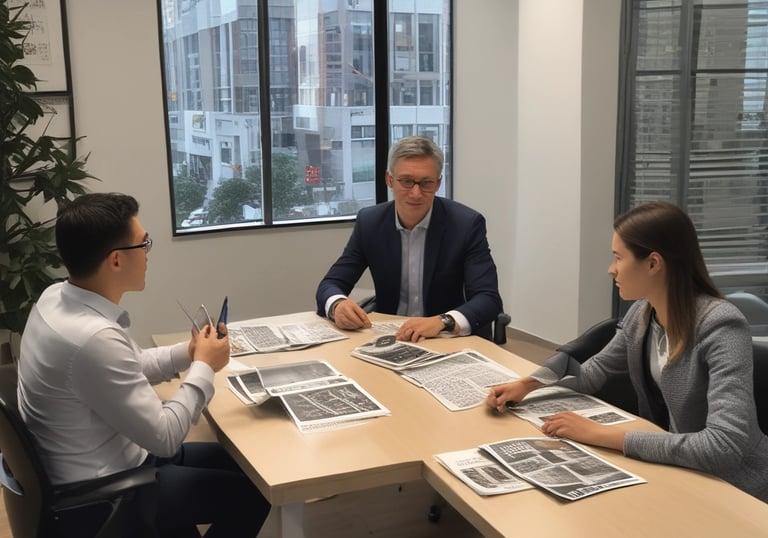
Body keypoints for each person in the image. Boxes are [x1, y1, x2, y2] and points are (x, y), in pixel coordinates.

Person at [17, 193, 271, 536]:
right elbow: (165, 437)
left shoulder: (56, 298)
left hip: (113, 458)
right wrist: (205, 368)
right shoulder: (92, 338)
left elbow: (131, 364)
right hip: (105, 492)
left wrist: (190, 350)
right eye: (144, 244)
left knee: (257, 468)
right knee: (253, 495)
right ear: (117, 260)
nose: (149, 254)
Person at [486, 201, 768, 503]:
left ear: (653, 263)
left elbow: (723, 447)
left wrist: (601, 435)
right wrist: (527, 385)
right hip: (679, 469)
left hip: (736, 489)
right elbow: (593, 372)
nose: (611, 269)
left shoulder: (721, 325)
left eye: (618, 258)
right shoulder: (643, 314)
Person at [316, 135, 503, 342]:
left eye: (426, 183)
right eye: (406, 181)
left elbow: (488, 299)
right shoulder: (370, 222)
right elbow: (331, 283)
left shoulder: (466, 225)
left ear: (438, 183)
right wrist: (337, 304)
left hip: (443, 337)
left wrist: (443, 321)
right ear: (389, 180)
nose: (415, 193)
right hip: (391, 336)